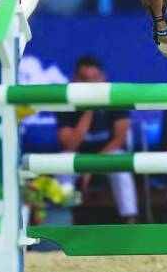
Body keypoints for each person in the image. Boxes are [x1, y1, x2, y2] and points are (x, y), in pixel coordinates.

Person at [56, 55, 138, 224]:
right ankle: (64, 221)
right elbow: (70, 144)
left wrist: (90, 168)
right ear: (74, 80)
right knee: (63, 162)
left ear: (103, 78)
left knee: (120, 162)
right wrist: (89, 109)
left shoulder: (116, 97)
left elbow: (119, 140)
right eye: (84, 79)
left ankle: (130, 221)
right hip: (78, 156)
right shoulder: (65, 101)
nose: (89, 85)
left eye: (94, 79)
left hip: (107, 155)